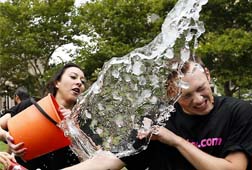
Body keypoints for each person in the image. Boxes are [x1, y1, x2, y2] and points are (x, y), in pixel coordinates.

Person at [63, 57, 252, 170]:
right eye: (186, 96)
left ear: (208, 75)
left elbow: (234, 168)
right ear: (172, 95)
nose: (198, 100)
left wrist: (175, 141)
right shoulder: (158, 119)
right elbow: (109, 160)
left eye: (201, 88)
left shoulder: (238, 111)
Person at [6, 63, 86, 170]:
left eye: (83, 81)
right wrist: (7, 138)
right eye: (73, 77)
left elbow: (92, 161)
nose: (79, 82)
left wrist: (74, 128)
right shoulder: (33, 106)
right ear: (57, 83)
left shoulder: (84, 123)